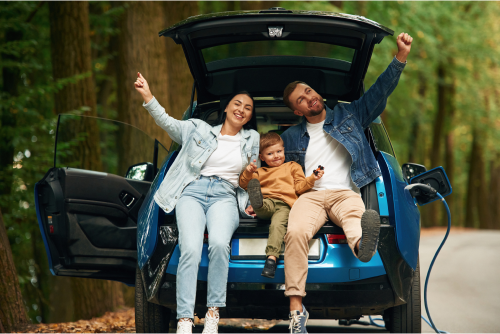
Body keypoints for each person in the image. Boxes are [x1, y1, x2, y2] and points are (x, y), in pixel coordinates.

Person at [280, 32, 413, 333]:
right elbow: (274, 170)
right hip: (310, 196)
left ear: (317, 93)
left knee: (356, 219)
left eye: (309, 90)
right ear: (297, 111)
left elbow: (380, 92)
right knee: (296, 232)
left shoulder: (350, 114)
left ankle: (361, 245)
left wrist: (400, 56)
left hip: (345, 192)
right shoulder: (289, 138)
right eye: (301, 98)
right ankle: (296, 311)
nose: (309, 97)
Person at [134, 73, 259, 334]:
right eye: (237, 103)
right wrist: (148, 96)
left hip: (226, 195)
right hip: (192, 191)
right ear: (226, 107)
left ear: (249, 116)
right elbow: (168, 123)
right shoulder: (198, 128)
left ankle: (212, 313)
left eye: (248, 108)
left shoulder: (252, 139)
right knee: (189, 248)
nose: (242, 110)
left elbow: (251, 176)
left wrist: (249, 198)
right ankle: (184, 319)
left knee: (218, 244)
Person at [239, 132, 324, 278]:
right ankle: (257, 203)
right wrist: (247, 172)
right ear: (262, 157)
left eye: (279, 151)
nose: (276, 156)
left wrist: (311, 178)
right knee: (262, 205)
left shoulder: (292, 166)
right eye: (270, 153)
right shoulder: (259, 172)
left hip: (285, 204)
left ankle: (271, 260)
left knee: (277, 226)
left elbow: (299, 187)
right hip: (267, 202)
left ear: (284, 150)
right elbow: (243, 184)